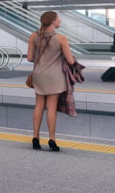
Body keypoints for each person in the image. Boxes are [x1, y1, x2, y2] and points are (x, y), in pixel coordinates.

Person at [28, 11, 76, 151]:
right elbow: (70, 61)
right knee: (51, 108)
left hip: (39, 75)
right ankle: (52, 139)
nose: (60, 20)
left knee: (38, 105)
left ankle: (35, 138)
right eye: (59, 18)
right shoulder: (61, 38)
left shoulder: (33, 36)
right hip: (55, 76)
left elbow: (30, 58)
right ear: (54, 21)